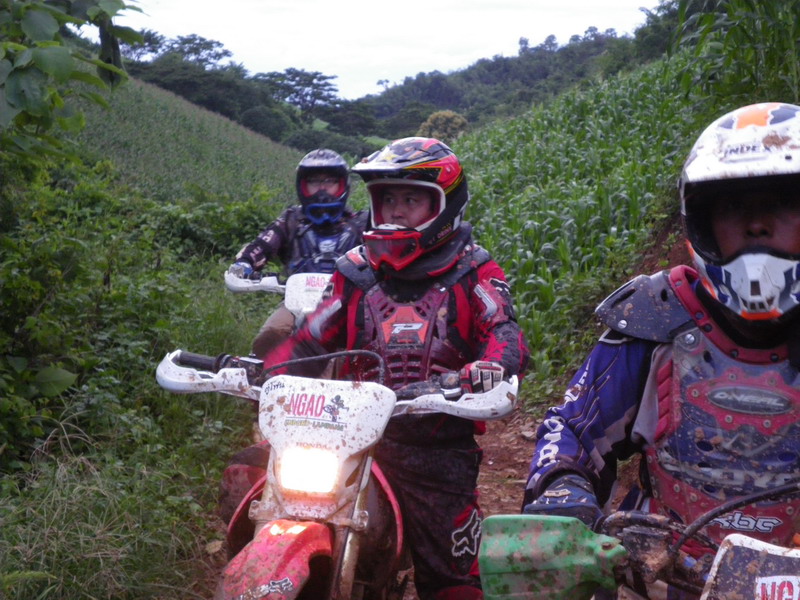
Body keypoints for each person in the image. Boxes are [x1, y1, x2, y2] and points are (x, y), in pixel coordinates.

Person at [522, 102, 800, 592]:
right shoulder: (657, 319)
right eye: (733, 206)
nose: (756, 224)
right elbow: (574, 428)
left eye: (782, 202)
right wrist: (562, 490)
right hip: (664, 571)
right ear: (702, 222)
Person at [240, 137, 530, 599]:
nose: (396, 210)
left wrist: (490, 366)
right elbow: (312, 337)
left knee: (452, 581)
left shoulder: (473, 269)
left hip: (434, 447)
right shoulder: (356, 271)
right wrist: (263, 370)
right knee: (252, 486)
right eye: (388, 198)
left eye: (411, 199)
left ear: (444, 205)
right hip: (346, 436)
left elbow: (503, 330)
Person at [227, 148, 368, 357]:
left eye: (329, 181)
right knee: (271, 335)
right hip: (296, 305)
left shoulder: (361, 223)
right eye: (314, 182)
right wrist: (244, 264)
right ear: (303, 186)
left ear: (342, 185)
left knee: (363, 350)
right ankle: (263, 376)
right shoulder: (291, 219)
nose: (322, 189)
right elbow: (263, 243)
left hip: (348, 306)